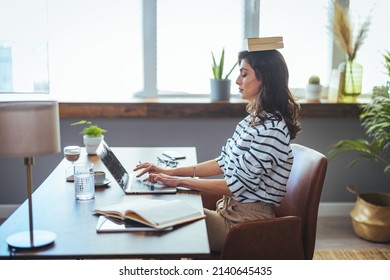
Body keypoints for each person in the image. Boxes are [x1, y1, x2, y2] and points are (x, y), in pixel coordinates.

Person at [134, 49, 301, 253]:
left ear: (265, 78)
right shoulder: (253, 121)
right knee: (162, 214)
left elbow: (236, 186)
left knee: (165, 227)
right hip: (228, 212)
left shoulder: (272, 130)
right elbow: (222, 162)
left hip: (244, 224)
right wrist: (171, 172)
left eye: (244, 74)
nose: (238, 81)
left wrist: (179, 182)